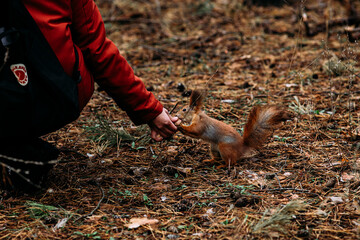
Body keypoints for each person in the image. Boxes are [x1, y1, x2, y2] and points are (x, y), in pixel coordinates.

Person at [0, 0, 179, 191]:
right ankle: (18, 152)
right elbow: (97, 50)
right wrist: (148, 109)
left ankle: (14, 148)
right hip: (57, 94)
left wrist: (148, 108)